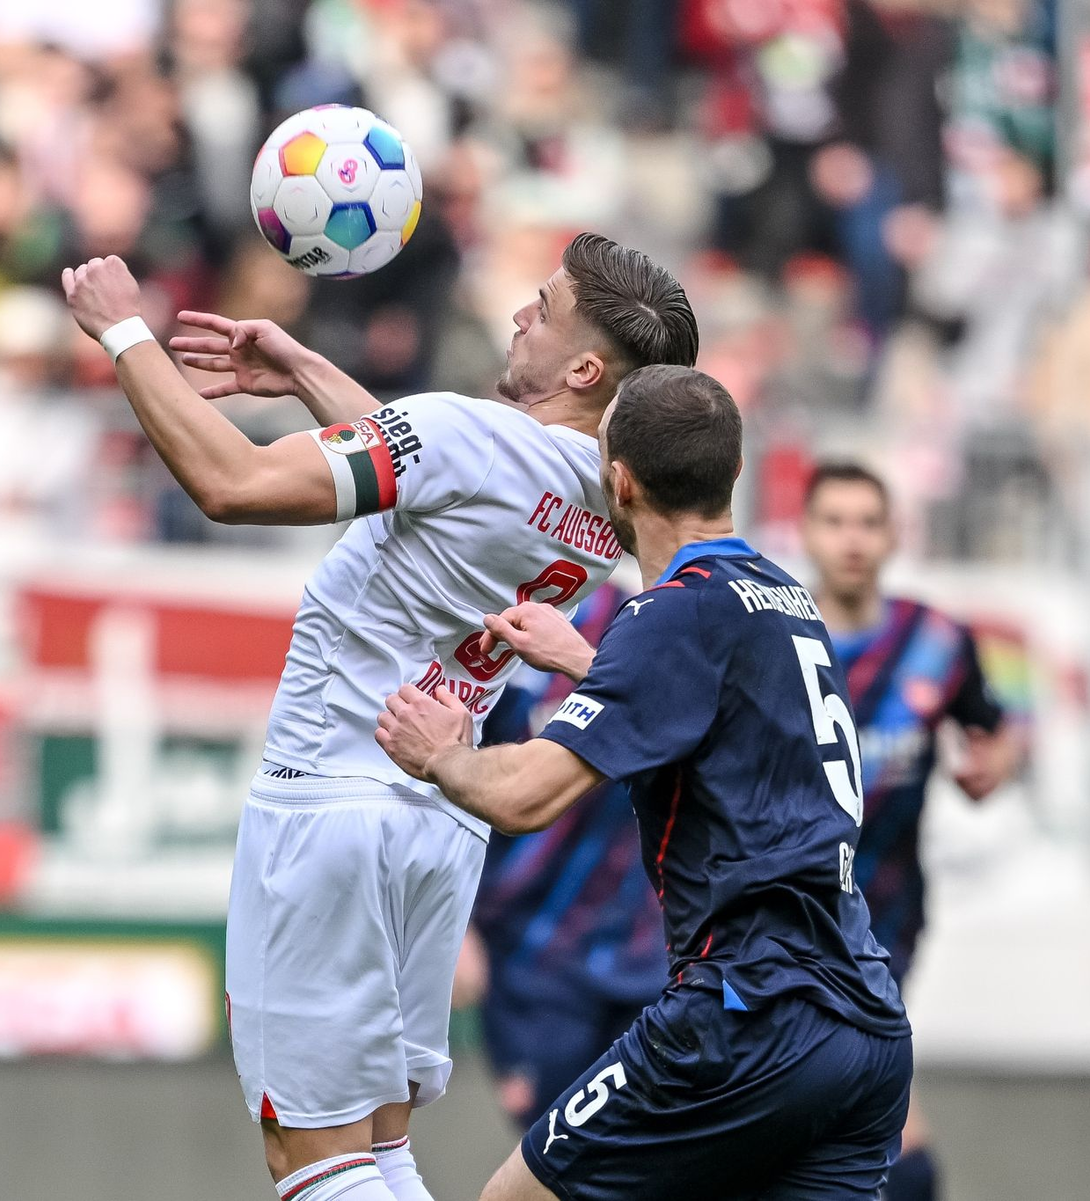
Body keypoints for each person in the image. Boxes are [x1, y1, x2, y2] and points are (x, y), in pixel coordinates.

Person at [59, 235, 699, 1201]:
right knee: (380, 1149)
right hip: (438, 824)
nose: (520, 314)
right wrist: (308, 369)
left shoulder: (466, 435)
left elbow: (234, 483)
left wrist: (123, 332)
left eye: (544, 305)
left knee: (312, 1161)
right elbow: (445, 487)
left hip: (328, 803)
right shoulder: (607, 498)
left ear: (583, 367)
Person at [376, 364, 913, 1201]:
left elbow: (524, 795)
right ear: (733, 472)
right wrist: (591, 664)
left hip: (744, 1014)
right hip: (864, 1022)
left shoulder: (672, 613)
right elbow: (719, 729)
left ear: (617, 481)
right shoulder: (781, 596)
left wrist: (440, 753)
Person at [801, 461, 1022, 1201]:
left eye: (868, 521)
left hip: (886, 918)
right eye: (835, 521)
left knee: (858, 1120)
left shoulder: (935, 641)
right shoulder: (774, 636)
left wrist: (996, 761)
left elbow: (998, 727)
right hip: (780, 918)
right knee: (864, 1124)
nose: (853, 539)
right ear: (806, 533)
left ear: (895, 533)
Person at [463, 580, 666, 1132]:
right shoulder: (483, 618)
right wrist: (454, 926)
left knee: (645, 1161)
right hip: (533, 957)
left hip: (648, 954)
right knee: (551, 1153)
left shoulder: (641, 622)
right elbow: (444, 772)